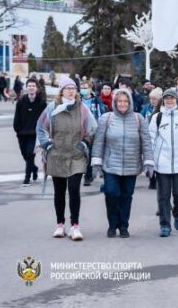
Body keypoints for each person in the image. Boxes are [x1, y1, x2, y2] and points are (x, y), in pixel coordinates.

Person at [36, 76, 97, 240]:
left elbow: (93, 128)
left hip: (76, 155)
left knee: (75, 190)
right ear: (61, 90)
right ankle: (60, 224)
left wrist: (85, 142)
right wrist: (46, 144)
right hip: (57, 155)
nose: (71, 91)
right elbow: (40, 127)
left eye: (73, 88)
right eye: (67, 88)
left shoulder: (82, 109)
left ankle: (75, 226)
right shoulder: (51, 108)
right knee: (59, 192)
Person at [91, 89, 155, 238]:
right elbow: (99, 141)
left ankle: (124, 226)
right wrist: (96, 162)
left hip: (131, 166)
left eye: (125, 101)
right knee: (112, 193)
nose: (122, 104)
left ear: (130, 103)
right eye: (119, 101)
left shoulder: (139, 119)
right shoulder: (107, 118)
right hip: (111, 165)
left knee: (126, 197)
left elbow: (146, 142)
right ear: (115, 102)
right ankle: (112, 224)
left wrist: (149, 162)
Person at [149, 89, 178, 237]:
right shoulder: (157, 118)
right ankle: (165, 224)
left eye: (172, 98)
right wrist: (150, 162)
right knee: (163, 196)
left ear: (177, 99)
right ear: (163, 100)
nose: (169, 101)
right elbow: (151, 141)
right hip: (162, 164)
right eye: (167, 98)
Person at [14, 77, 47, 186]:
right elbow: (17, 117)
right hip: (22, 134)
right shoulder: (21, 101)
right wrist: (17, 129)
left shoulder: (41, 102)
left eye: (33, 86)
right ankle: (34, 168)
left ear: (37, 88)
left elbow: (45, 119)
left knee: (30, 154)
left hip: (35, 134)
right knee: (25, 155)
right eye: (29, 86)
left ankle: (27, 179)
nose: (31, 88)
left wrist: (43, 132)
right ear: (26, 87)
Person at [79, 80, 108, 186]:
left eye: (85, 87)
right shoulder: (78, 100)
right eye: (81, 87)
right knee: (81, 154)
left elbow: (102, 114)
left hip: (93, 131)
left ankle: (88, 176)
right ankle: (84, 173)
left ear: (90, 88)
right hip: (80, 131)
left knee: (90, 154)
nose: (83, 90)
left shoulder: (96, 100)